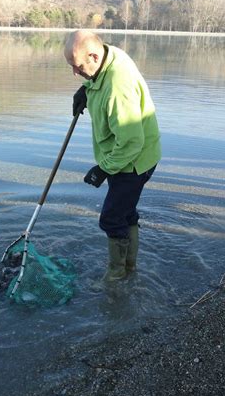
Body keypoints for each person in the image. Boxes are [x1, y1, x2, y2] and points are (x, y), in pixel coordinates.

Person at [64, 30, 161, 281]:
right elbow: (99, 79)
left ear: (94, 56)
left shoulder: (119, 86)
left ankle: (116, 278)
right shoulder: (108, 56)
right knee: (126, 213)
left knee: (111, 218)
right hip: (130, 155)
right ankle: (130, 270)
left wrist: (103, 169)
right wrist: (86, 89)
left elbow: (131, 142)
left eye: (78, 67)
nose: (75, 73)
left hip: (133, 162)